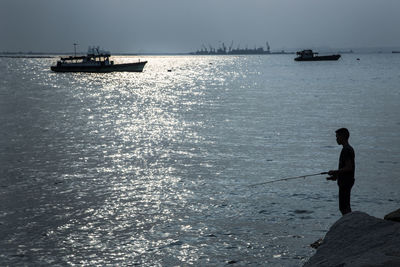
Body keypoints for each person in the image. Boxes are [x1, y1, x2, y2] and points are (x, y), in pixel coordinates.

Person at [327, 128, 355, 215]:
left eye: (337, 136)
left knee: (344, 207)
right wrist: (336, 176)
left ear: (342, 137)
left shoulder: (346, 150)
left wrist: (335, 171)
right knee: (344, 205)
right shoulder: (347, 148)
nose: (336, 139)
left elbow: (349, 167)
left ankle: (349, 223)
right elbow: (347, 169)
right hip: (346, 180)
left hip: (346, 182)